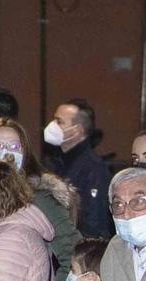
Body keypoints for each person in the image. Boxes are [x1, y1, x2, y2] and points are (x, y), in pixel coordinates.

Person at [0, 118, 80, 281]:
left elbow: (73, 255)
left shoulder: (39, 199)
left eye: (14, 147)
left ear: (25, 154)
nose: (5, 153)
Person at [42, 98, 112, 238]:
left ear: (77, 130)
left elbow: (95, 222)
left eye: (59, 122)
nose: (52, 126)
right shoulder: (56, 163)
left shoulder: (93, 169)